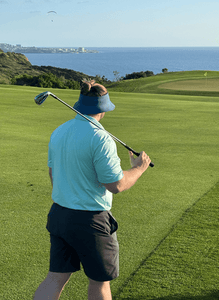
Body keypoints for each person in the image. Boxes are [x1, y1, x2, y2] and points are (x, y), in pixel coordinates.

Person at [33, 80, 151, 300]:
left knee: (56, 277)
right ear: (103, 109)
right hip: (90, 221)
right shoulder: (101, 138)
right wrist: (139, 169)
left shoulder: (59, 131)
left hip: (59, 215)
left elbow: (53, 172)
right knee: (100, 282)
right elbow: (116, 185)